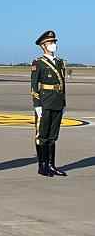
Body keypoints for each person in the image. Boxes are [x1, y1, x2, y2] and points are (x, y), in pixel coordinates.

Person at [31, 30, 67, 177]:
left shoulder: (60, 62)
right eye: (51, 43)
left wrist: (63, 103)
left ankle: (51, 166)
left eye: (54, 42)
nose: (54, 45)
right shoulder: (38, 62)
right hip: (45, 102)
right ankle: (42, 166)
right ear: (43, 45)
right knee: (42, 136)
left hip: (57, 102)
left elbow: (62, 84)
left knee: (53, 136)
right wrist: (37, 104)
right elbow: (34, 85)